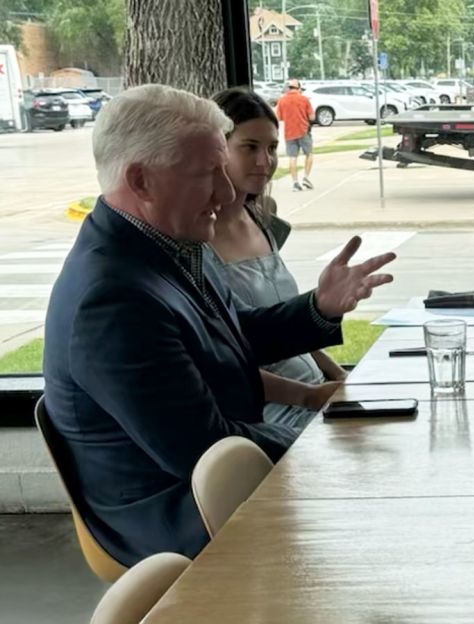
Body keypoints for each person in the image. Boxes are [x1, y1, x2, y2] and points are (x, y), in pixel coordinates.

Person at [42, 84, 396, 566]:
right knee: (381, 507)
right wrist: (320, 445)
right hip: (176, 515)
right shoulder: (110, 301)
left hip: (215, 476)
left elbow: (233, 335)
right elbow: (205, 451)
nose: (228, 192)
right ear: (141, 181)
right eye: (208, 173)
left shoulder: (166, 242)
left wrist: (319, 307)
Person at [208, 87, 345, 430]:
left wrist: (339, 376)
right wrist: (311, 396)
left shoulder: (261, 217)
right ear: (216, 149)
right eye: (250, 148)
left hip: (313, 394)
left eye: (271, 148)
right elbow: (223, 362)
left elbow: (287, 327)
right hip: (269, 413)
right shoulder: (198, 241)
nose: (265, 161)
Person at [274, 79, 314, 192]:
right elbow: (312, 117)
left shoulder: (282, 100)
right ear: (299, 88)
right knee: (309, 154)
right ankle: (306, 177)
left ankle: (295, 182)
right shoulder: (304, 99)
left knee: (292, 157)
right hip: (303, 130)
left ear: (289, 88)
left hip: (289, 132)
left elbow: (279, 117)